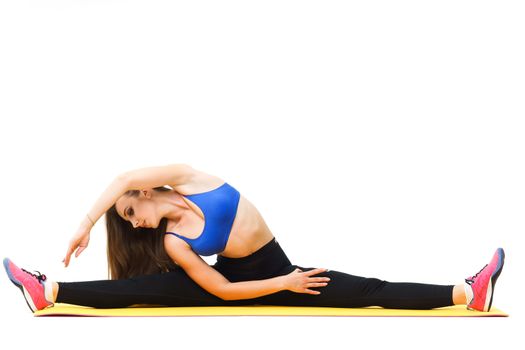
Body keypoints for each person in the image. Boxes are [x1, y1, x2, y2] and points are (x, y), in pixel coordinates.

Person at [3, 163, 505, 313]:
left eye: (130, 210)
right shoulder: (175, 243)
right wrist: (283, 285)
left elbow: (117, 178)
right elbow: (221, 290)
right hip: (246, 279)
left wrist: (84, 224)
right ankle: (49, 292)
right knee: (153, 289)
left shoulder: (189, 178)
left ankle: (467, 293)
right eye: (125, 220)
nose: (133, 223)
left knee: (362, 291)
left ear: (144, 191)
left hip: (272, 265)